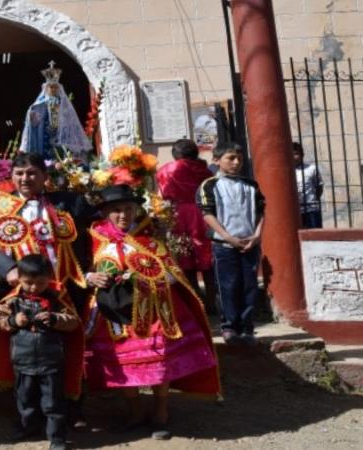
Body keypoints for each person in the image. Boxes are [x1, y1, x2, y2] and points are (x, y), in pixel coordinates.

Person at [84, 184, 220, 440]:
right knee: (122, 363)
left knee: (159, 361)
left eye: (128, 209)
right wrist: (92, 277)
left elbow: (172, 273)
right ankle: (135, 411)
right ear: (105, 213)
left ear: (136, 209)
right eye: (116, 210)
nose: (123, 215)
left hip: (155, 310)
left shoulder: (151, 237)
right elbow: (82, 269)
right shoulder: (94, 237)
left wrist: (147, 277)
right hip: (113, 314)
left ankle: (160, 411)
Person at [0, 153, 93, 428]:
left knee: (67, 348)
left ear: (44, 176)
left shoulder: (70, 202)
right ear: (11, 176)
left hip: (63, 288)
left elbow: (94, 233)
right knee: (23, 352)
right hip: (20, 291)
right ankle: (28, 415)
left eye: (31, 173)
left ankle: (70, 409)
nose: (25, 178)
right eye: (19, 173)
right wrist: (8, 269)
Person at [0, 255, 82, 450]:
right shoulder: (13, 300)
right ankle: (28, 427)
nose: (34, 287)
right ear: (19, 278)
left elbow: (72, 321)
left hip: (51, 360)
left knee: (53, 401)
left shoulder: (57, 298)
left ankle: (57, 437)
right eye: (28, 283)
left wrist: (55, 319)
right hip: (22, 359)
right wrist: (13, 321)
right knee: (24, 398)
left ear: (49, 278)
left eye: (40, 283)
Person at [198, 142, 265, 346]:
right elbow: (207, 214)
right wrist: (228, 237)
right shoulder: (209, 185)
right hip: (224, 246)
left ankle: (247, 328)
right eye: (231, 158)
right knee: (228, 285)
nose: (236, 163)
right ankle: (229, 326)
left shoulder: (251, 185)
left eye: (239, 159)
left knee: (249, 286)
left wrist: (256, 236)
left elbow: (261, 212)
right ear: (217, 160)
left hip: (249, 245)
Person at [155, 139, 216, 312]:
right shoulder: (205, 170)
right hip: (203, 215)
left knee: (184, 258)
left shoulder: (167, 170)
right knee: (206, 259)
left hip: (178, 215)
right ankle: (212, 302)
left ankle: (195, 300)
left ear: (176, 154)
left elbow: (163, 193)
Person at [19, 61, 91, 160]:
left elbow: (71, 121)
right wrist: (32, 117)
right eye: (50, 87)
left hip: (60, 134)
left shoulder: (64, 103)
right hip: (45, 135)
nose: (53, 89)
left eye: (55, 87)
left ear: (59, 88)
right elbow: (33, 124)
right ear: (45, 88)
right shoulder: (39, 105)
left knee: (61, 156)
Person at [293, 142, 323, 229]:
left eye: (296, 154)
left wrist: (314, 199)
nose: (294, 157)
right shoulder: (286, 170)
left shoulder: (311, 168)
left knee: (315, 235)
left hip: (311, 209)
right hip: (294, 210)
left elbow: (319, 186)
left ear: (302, 155)